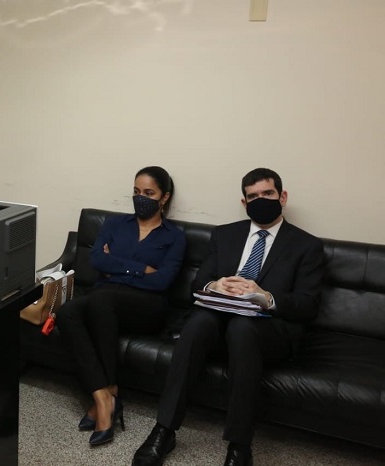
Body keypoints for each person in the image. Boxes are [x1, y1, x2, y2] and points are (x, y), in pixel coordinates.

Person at [131, 168, 326, 466]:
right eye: (253, 196)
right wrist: (216, 285)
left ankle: (239, 445)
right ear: (244, 202)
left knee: (242, 328)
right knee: (197, 324)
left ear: (282, 197)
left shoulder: (307, 245)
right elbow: (199, 283)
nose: (261, 200)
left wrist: (265, 296)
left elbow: (308, 305)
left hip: (268, 329)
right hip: (218, 319)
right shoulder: (225, 234)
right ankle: (164, 430)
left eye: (268, 193)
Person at [56, 166, 186, 446]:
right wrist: (142, 270)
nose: (141, 198)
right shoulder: (115, 224)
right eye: (137, 192)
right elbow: (97, 260)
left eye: (149, 193)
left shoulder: (174, 236)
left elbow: (162, 281)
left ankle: (106, 398)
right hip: (106, 298)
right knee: (67, 312)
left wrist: (116, 266)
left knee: (101, 299)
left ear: (164, 197)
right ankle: (105, 394)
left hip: (147, 307)